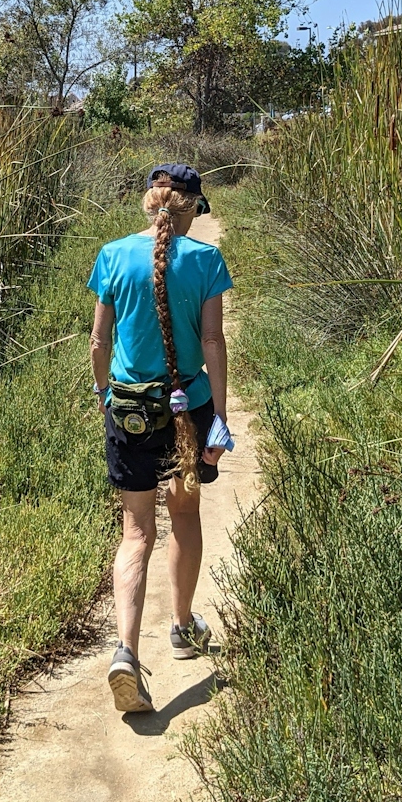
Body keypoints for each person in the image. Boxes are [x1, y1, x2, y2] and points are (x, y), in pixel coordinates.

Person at [87, 162, 234, 713]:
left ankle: (125, 651)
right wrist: (218, 416)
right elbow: (213, 341)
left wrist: (106, 396)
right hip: (186, 411)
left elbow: (99, 342)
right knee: (186, 516)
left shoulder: (112, 255)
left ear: (150, 205)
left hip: (128, 409)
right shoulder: (205, 261)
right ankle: (181, 626)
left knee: (136, 534)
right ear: (191, 208)